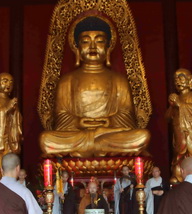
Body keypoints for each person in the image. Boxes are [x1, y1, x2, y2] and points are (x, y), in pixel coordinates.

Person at [39, 16, 150, 157]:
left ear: (108, 47)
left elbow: (126, 117)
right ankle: (99, 149)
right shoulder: (67, 81)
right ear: (77, 48)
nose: (92, 47)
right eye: (85, 42)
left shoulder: (119, 80)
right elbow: (61, 117)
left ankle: (91, 149)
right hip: (78, 136)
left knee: (142, 136)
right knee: (46, 139)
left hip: (108, 135)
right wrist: (79, 122)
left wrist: (108, 122)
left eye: (99, 41)